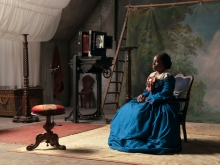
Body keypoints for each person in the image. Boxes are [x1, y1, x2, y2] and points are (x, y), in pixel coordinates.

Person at [108, 53, 182, 155]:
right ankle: (127, 134)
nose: (153, 63)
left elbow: (166, 92)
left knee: (142, 112)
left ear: (164, 64)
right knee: (129, 107)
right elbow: (147, 90)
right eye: (153, 61)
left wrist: (149, 98)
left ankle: (142, 136)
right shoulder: (151, 76)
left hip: (161, 101)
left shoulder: (168, 77)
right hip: (149, 99)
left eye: (156, 61)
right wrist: (143, 95)